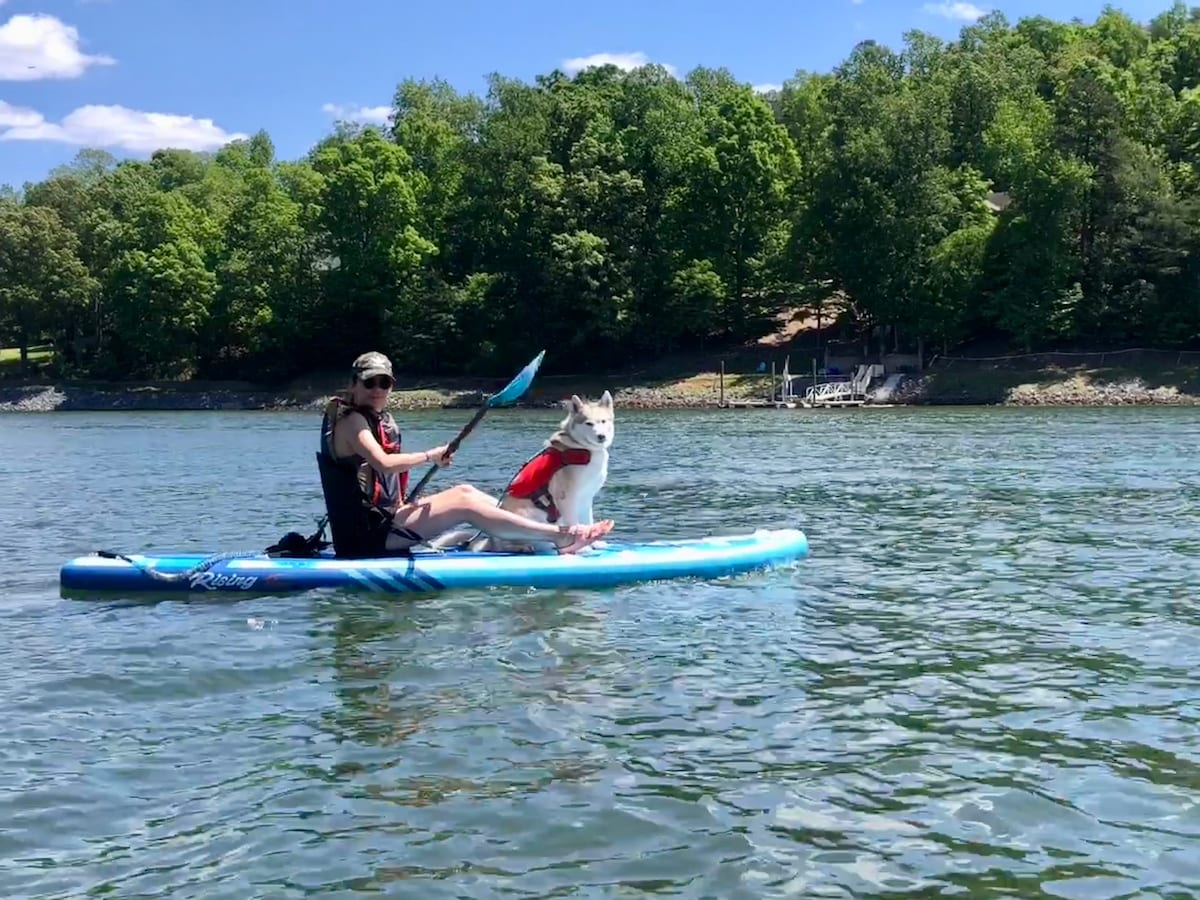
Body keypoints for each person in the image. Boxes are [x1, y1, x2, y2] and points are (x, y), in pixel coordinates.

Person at [316, 351, 615, 558]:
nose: (377, 389)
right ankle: (560, 536)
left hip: (383, 522)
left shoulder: (376, 418)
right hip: (367, 539)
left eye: (385, 383)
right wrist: (431, 455)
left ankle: (545, 534)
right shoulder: (351, 420)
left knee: (465, 491)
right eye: (369, 382)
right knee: (464, 504)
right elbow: (383, 463)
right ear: (354, 384)